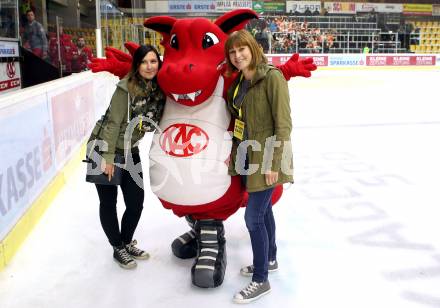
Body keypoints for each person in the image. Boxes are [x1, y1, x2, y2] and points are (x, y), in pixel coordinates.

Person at [224, 30, 293, 303]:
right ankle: (270, 258)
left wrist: (274, 162)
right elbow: (239, 122)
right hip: (247, 155)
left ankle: (260, 279)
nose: (238, 55)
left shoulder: (272, 77)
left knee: (252, 218)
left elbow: (284, 124)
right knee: (263, 213)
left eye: (242, 49)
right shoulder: (240, 82)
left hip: (267, 158)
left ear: (253, 48)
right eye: (232, 52)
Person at [88, 45, 165, 269]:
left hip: (129, 149)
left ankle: (125, 241)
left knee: (135, 202)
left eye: (153, 61)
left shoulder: (157, 90)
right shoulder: (125, 87)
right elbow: (112, 124)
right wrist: (107, 158)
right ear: (137, 65)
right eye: (144, 62)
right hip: (103, 148)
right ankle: (117, 247)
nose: (149, 66)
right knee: (108, 202)